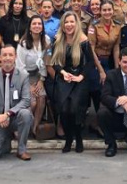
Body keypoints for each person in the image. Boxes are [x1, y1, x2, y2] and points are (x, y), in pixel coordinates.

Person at [0, 45, 33, 161]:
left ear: (15, 57)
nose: (7, 58)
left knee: (26, 114)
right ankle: (6, 139)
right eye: (4, 55)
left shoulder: (23, 76)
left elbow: (26, 100)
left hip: (15, 118)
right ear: (1, 57)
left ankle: (21, 150)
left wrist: (8, 114)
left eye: (10, 55)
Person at [49, 12, 93, 153]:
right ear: (62, 24)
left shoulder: (83, 40)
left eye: (71, 22)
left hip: (79, 79)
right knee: (64, 110)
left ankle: (78, 138)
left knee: (74, 110)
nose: (69, 25)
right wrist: (62, 72)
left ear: (76, 23)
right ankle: (69, 139)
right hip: (64, 77)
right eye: (66, 22)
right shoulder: (57, 40)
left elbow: (90, 63)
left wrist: (81, 76)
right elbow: (54, 62)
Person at [16, 15, 48, 136]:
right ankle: (25, 126)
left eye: (39, 24)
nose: (37, 26)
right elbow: (20, 66)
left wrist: (42, 79)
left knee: (41, 97)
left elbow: (45, 61)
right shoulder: (23, 44)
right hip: (23, 76)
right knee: (32, 101)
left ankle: (35, 127)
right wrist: (28, 85)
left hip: (39, 75)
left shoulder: (47, 40)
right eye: (34, 24)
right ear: (29, 27)